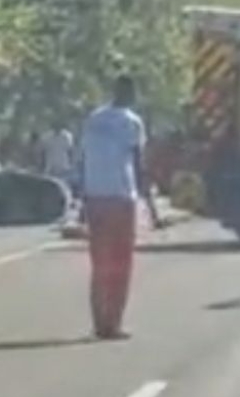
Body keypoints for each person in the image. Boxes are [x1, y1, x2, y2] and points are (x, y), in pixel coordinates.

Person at [79, 74, 164, 340]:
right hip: (120, 196)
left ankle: (98, 320)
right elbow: (139, 166)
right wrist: (151, 207)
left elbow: (85, 158)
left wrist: (83, 200)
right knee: (120, 264)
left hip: (95, 195)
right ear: (130, 94)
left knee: (99, 263)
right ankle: (112, 323)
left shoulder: (94, 119)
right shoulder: (131, 122)